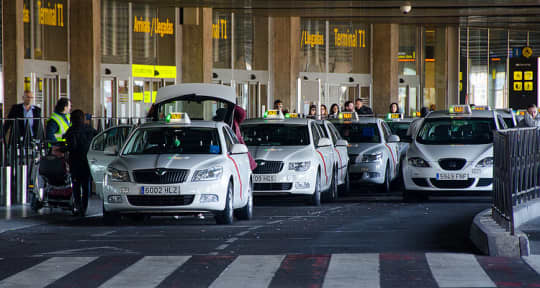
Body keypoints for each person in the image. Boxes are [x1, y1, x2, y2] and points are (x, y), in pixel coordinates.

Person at [64, 109, 97, 216]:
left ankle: (78, 206)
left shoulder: (71, 131)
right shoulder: (90, 129)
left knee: (76, 185)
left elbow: (71, 147)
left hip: (75, 161)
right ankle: (84, 207)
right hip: (87, 161)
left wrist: (63, 150)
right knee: (86, 184)